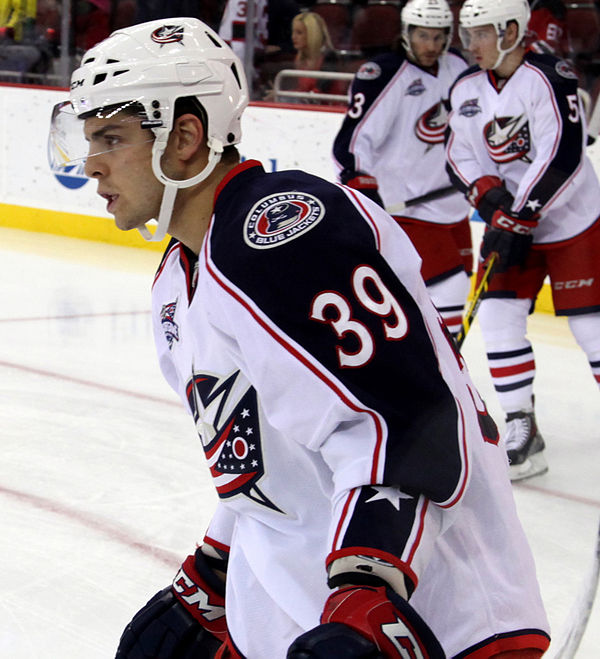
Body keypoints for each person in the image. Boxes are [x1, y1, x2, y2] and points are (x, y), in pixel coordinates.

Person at [51, 17, 551, 657]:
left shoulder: (281, 230)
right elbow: (260, 465)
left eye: (111, 138)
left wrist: (366, 592)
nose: (91, 165)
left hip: (437, 621)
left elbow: (404, 419)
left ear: (184, 136)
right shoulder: (178, 278)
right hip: (306, 611)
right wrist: (209, 580)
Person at [446, 0, 600, 481]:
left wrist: (519, 214)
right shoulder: (468, 88)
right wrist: (494, 206)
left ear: (511, 29)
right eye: (467, 34)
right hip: (515, 224)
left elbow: (563, 155)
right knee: (497, 317)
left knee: (591, 330)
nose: (471, 45)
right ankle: (522, 427)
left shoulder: (551, 75)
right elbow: (460, 157)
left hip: (573, 221)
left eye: (481, 33)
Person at [332, 0, 473, 339]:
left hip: (453, 206)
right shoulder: (383, 74)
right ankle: (443, 372)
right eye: (423, 36)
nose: (431, 46)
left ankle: (425, 363)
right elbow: (348, 147)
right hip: (408, 206)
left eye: (439, 37)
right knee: (451, 289)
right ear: (407, 33)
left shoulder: (457, 66)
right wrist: (367, 196)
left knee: (439, 294)